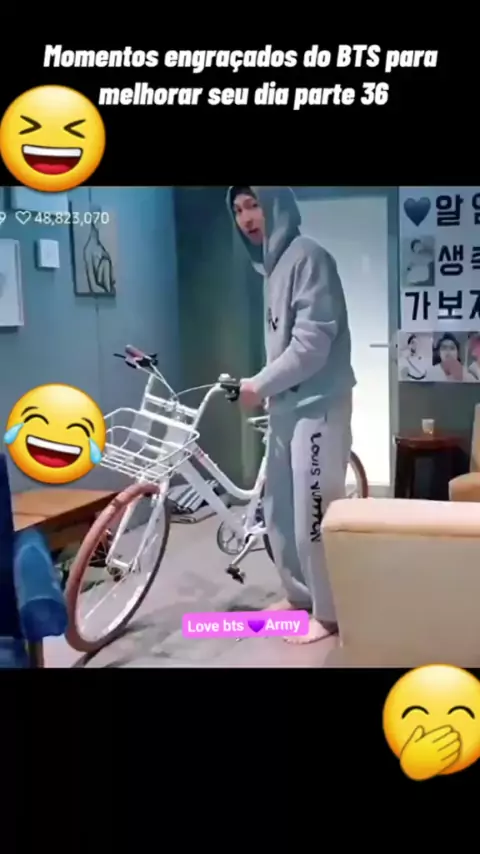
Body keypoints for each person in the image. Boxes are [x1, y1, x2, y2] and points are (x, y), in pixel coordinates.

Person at [227, 186, 356, 644]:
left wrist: (260, 384)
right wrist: (267, 389)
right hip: (285, 408)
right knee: (278, 510)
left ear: (275, 204)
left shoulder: (309, 257)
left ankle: (330, 612)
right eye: (238, 209)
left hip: (318, 407)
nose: (246, 217)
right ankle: (300, 595)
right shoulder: (271, 267)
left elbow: (311, 345)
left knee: (312, 514)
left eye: (253, 205)